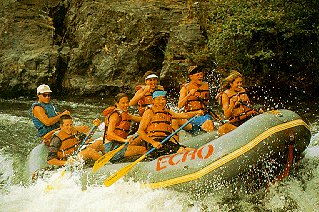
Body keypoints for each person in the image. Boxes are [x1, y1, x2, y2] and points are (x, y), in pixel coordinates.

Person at [138, 90, 203, 159]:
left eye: (163, 99)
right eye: (158, 99)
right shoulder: (149, 112)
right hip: (155, 144)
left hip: (166, 142)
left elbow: (183, 115)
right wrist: (153, 142)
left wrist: (196, 112)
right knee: (182, 151)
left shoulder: (167, 111)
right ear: (153, 101)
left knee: (191, 150)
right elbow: (140, 131)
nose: (161, 102)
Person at [103, 93, 147, 163]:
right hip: (112, 148)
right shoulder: (115, 116)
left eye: (127, 102)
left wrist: (152, 115)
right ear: (117, 104)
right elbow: (109, 133)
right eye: (123, 103)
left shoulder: (125, 114)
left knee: (142, 137)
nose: (126, 105)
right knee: (143, 150)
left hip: (120, 144)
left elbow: (141, 119)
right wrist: (124, 140)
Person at [216, 70, 261, 135]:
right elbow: (226, 115)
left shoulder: (242, 90)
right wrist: (232, 105)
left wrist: (258, 110)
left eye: (241, 82)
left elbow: (249, 106)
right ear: (231, 84)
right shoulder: (225, 95)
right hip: (237, 123)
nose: (240, 84)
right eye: (237, 83)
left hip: (249, 118)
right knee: (224, 128)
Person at [177, 65, 215, 134]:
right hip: (192, 116)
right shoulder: (185, 88)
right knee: (208, 122)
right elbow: (179, 105)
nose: (200, 76)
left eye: (201, 74)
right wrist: (189, 95)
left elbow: (208, 105)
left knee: (210, 121)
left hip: (205, 115)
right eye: (198, 75)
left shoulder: (206, 86)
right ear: (191, 77)